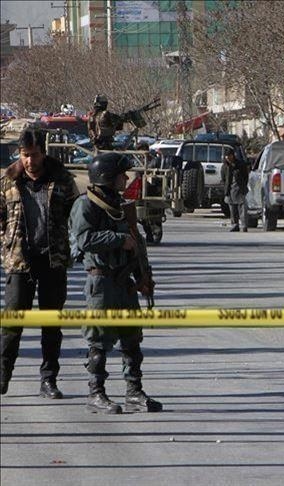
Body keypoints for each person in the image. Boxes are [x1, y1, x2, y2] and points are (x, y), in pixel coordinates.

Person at [69, 152, 162, 414]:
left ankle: (134, 392)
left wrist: (143, 276)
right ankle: (96, 393)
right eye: (122, 175)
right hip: (101, 281)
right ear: (108, 177)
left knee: (131, 339)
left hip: (124, 282)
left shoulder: (120, 205)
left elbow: (136, 243)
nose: (126, 179)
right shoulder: (86, 205)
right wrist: (118, 240)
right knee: (99, 341)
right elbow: (84, 239)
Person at [0, 127, 79, 397]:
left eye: (34, 155)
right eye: (24, 155)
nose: (29, 161)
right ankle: (3, 375)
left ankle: (49, 379)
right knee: (11, 324)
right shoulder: (8, 181)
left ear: (43, 153)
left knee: (51, 325)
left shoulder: (63, 180)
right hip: (19, 262)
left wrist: (70, 247)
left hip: (52, 261)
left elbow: (75, 216)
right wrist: (6, 246)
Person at [220, 148, 250, 232]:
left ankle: (244, 225)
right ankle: (235, 225)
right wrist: (225, 188)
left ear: (233, 155)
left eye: (229, 156)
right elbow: (223, 178)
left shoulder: (240, 165)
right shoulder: (224, 166)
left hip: (240, 189)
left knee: (242, 209)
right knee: (232, 209)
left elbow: (245, 177)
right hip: (230, 190)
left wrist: (243, 186)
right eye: (226, 156)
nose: (228, 158)